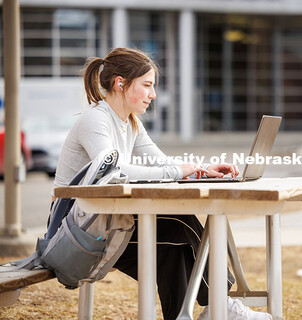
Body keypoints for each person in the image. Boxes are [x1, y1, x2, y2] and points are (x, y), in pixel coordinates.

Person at [52, 47, 272, 320]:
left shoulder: (130, 122)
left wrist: (201, 171)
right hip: (76, 234)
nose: (153, 95)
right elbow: (113, 171)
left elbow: (159, 162)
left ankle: (213, 307)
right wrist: (177, 171)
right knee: (179, 231)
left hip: (106, 222)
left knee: (176, 239)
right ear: (120, 83)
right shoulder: (96, 119)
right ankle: (219, 305)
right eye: (146, 86)